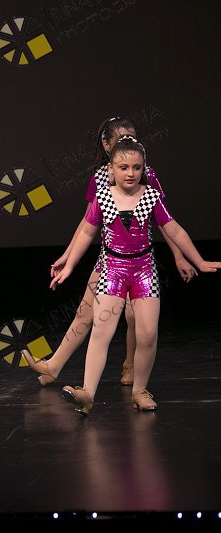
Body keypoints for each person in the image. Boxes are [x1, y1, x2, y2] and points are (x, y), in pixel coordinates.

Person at [49, 136, 220, 414]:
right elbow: (86, 233)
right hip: (112, 271)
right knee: (101, 331)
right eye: (124, 167)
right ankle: (87, 393)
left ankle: (140, 390)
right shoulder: (103, 198)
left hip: (144, 272)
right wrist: (68, 267)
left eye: (137, 167)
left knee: (148, 334)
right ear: (111, 169)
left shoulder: (151, 196)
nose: (130, 173)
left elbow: (174, 230)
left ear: (144, 169)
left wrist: (198, 261)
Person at [22, 117, 197, 386]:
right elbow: (87, 224)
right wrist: (68, 255)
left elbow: (167, 222)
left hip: (139, 260)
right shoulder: (101, 178)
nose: (129, 143)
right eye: (122, 139)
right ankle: (54, 366)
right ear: (106, 145)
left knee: (135, 316)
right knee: (85, 312)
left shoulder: (146, 175)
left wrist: (179, 255)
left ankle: (130, 365)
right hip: (110, 259)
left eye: (133, 139)